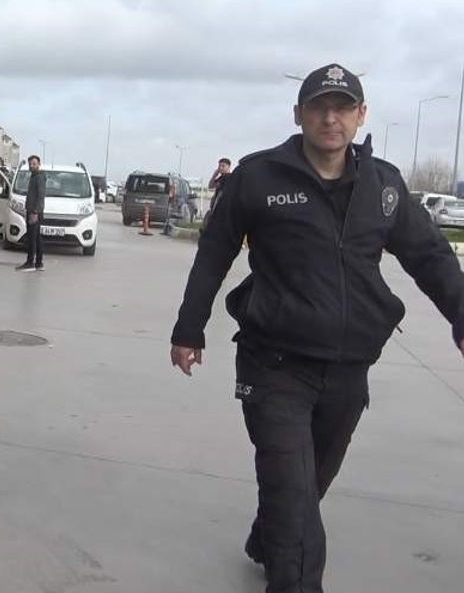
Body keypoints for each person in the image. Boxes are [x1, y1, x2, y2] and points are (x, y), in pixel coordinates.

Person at [169, 63, 464, 593]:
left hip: (348, 370)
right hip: (273, 364)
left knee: (308, 485)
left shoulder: (383, 185)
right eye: (319, 107)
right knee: (293, 494)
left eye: (343, 108)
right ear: (298, 114)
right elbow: (213, 253)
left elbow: (430, 256)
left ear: (361, 115)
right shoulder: (258, 177)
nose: (331, 118)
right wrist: (189, 328)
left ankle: (268, 538)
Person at [17, 155, 45, 272]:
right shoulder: (33, 176)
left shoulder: (39, 177)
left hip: (34, 212)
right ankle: (39, 263)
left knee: (32, 238)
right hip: (32, 211)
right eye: (30, 164)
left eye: (34, 164)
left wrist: (35, 212)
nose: (31, 166)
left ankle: (30, 263)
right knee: (36, 238)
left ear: (39, 164)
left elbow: (40, 196)